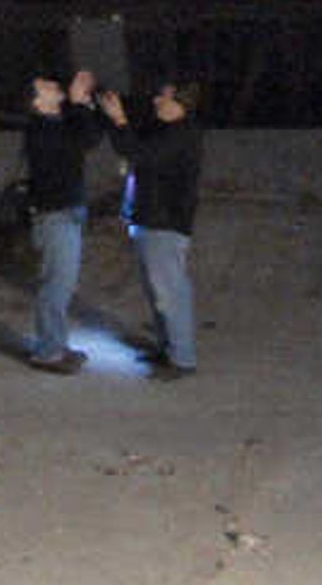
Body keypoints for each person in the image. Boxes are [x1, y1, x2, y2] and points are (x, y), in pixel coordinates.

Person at [97, 79, 202, 379]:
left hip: (165, 221)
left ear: (181, 103)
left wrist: (119, 119)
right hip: (149, 218)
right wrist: (117, 119)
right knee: (158, 291)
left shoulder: (182, 133)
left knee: (170, 292)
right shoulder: (163, 129)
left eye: (164, 97)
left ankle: (182, 358)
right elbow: (130, 146)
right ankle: (167, 348)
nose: (156, 100)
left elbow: (141, 154)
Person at [18, 68, 108, 373]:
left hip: (66, 210)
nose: (53, 83)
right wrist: (80, 104)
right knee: (56, 284)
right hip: (54, 215)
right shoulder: (40, 129)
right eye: (43, 84)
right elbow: (80, 142)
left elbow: (90, 137)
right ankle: (48, 352)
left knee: (62, 283)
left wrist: (84, 102)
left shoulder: (56, 122)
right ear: (36, 102)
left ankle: (56, 345)